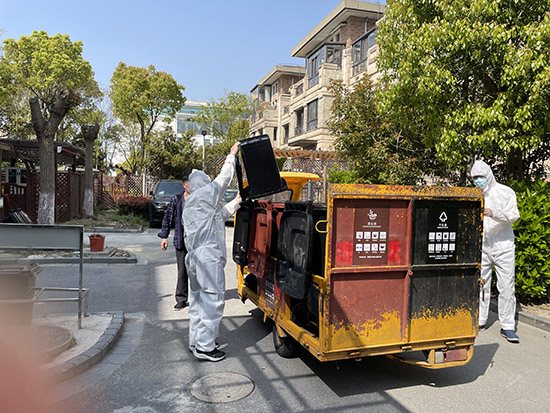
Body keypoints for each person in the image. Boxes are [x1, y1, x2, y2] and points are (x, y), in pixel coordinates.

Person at [183, 141, 242, 362]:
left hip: (194, 258)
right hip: (207, 258)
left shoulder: (193, 203)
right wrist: (231, 155)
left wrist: (236, 202)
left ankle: (196, 341)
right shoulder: (205, 195)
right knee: (212, 301)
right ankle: (205, 347)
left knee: (197, 301)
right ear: (204, 183)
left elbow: (218, 217)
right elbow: (224, 179)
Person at [471, 160, 521, 343]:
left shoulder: (505, 192)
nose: (479, 180)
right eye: (475, 177)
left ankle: (507, 326)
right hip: (483, 246)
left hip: (503, 246)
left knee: (506, 286)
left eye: (482, 176)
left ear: (489, 175)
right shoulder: (473, 194)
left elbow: (514, 216)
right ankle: (480, 319)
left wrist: (495, 213)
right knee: (481, 284)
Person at [158, 178, 190, 311]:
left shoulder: (199, 199)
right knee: (182, 271)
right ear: (184, 185)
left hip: (196, 242)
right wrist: (164, 237)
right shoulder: (176, 200)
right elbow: (168, 218)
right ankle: (181, 299)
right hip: (181, 240)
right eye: (190, 184)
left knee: (199, 272)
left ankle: (200, 298)